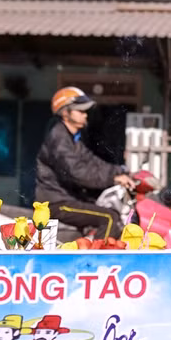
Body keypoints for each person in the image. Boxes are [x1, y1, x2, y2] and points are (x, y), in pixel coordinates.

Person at [35, 86, 134, 239]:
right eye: (80, 111)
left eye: (85, 111)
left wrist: (120, 171)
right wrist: (113, 179)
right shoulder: (59, 138)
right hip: (56, 203)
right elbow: (77, 171)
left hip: (68, 199)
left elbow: (91, 162)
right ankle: (98, 260)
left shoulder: (73, 139)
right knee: (109, 218)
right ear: (65, 113)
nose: (85, 115)